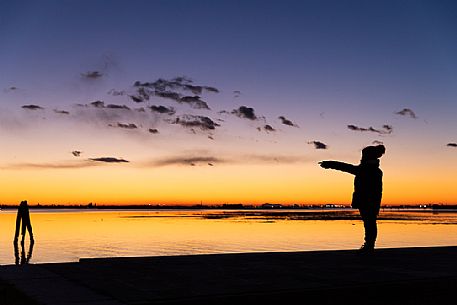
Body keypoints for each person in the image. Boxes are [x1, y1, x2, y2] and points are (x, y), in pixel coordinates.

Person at [319, 145, 385, 253]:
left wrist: (330, 164)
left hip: (368, 201)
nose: (362, 157)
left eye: (363, 155)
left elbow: (346, 167)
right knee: (369, 223)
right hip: (370, 201)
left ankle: (369, 246)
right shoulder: (373, 170)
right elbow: (347, 167)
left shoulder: (367, 169)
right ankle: (369, 245)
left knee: (369, 223)